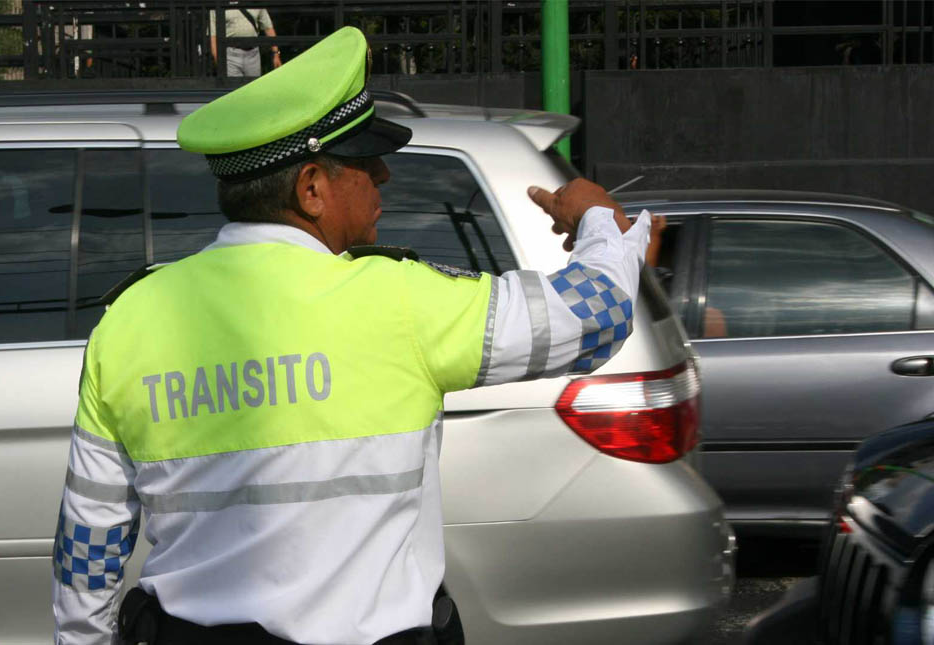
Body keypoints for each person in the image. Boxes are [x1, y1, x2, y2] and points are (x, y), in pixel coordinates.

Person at [51, 26, 652, 645]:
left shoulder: (129, 320)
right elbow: (599, 314)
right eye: (366, 164)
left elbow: (90, 542)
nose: (385, 177)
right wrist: (597, 219)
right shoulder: (401, 301)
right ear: (311, 188)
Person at [209, 5, 281, 77]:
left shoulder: (256, 3)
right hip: (229, 55)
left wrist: (276, 54)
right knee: (234, 86)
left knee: (253, 86)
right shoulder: (220, 4)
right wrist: (218, 61)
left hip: (253, 54)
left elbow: (268, 28)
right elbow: (213, 36)